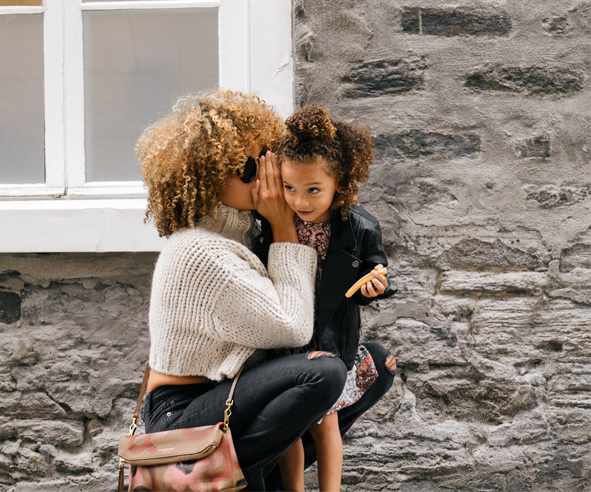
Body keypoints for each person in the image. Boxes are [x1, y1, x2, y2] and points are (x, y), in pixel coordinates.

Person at [137, 89, 348, 491]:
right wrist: (286, 228)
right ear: (209, 175)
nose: (266, 175)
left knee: (371, 364)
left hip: (228, 398)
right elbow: (292, 326)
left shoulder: (243, 236)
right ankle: (216, 476)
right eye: (248, 168)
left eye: (269, 158)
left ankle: (252, 479)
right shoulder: (200, 252)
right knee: (322, 372)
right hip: (181, 412)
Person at [254, 105, 398, 491]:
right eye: (290, 187)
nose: (300, 200)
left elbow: (377, 271)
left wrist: (376, 285)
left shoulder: (359, 227)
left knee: (326, 420)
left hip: (333, 339)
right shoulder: (272, 223)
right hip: (286, 338)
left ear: (341, 183)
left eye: (313, 189)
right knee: (292, 423)